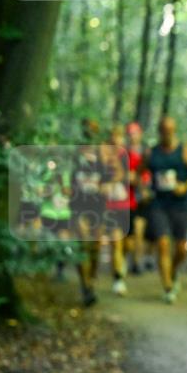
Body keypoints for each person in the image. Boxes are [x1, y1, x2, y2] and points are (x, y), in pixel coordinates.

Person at [144, 116, 187, 304]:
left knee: (181, 249)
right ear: (159, 131)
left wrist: (185, 186)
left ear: (174, 130)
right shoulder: (151, 153)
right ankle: (168, 287)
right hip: (158, 205)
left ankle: (172, 271)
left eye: (171, 130)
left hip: (179, 205)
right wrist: (143, 189)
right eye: (164, 130)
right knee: (162, 244)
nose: (167, 134)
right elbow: (139, 174)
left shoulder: (183, 151)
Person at [70, 120, 108, 307]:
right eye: (87, 128)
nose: (89, 132)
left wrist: (105, 185)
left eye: (93, 129)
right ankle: (85, 286)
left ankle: (91, 279)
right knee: (82, 244)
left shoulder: (102, 152)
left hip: (97, 205)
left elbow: (113, 174)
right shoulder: (74, 152)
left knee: (95, 247)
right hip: (78, 205)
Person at [103, 125, 133, 296]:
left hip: (127, 206)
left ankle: (122, 264)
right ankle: (118, 280)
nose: (116, 139)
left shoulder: (127, 156)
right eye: (113, 136)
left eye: (119, 136)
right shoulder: (102, 156)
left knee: (127, 243)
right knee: (116, 241)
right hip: (110, 206)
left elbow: (133, 175)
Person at [125, 121, 153, 275]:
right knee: (130, 235)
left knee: (140, 230)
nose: (132, 136)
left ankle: (137, 261)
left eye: (135, 133)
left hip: (143, 196)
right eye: (130, 133)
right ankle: (130, 258)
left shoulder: (146, 152)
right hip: (128, 198)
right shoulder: (124, 153)